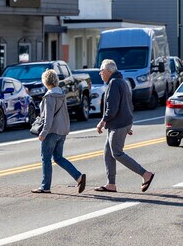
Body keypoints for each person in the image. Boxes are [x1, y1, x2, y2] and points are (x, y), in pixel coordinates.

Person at [95, 59, 154, 193]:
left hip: (118, 124)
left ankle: (145, 174)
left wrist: (102, 122)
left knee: (117, 153)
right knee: (108, 153)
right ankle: (111, 184)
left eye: (101, 71)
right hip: (122, 123)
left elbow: (112, 108)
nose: (100, 73)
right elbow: (128, 104)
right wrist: (127, 124)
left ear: (108, 71)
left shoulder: (114, 83)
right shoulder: (121, 81)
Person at [33, 69, 86, 194]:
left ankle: (45, 186)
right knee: (58, 157)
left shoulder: (49, 97)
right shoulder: (61, 95)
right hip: (62, 131)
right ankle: (78, 177)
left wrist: (43, 133)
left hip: (51, 131)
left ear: (45, 81)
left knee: (46, 159)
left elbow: (49, 117)